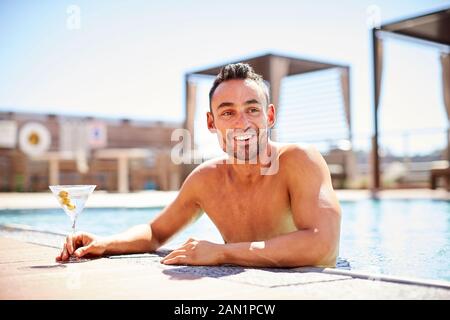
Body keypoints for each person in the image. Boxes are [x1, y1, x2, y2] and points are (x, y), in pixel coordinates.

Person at [56, 63, 341, 267]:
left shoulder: (299, 160)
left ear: (269, 116)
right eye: (228, 112)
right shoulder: (206, 180)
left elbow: (322, 247)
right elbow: (156, 233)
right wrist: (107, 243)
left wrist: (222, 253)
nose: (242, 123)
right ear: (210, 122)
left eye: (252, 110)